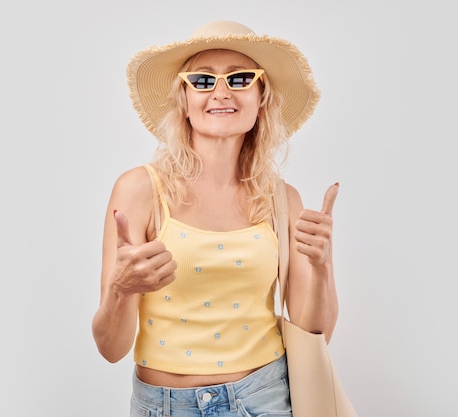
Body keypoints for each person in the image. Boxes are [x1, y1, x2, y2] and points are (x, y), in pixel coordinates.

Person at [92, 20, 340, 417]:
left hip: (264, 399)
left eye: (241, 79)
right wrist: (121, 290)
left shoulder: (282, 199)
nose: (221, 92)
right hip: (164, 407)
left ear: (261, 97)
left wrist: (322, 265)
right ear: (184, 100)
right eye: (203, 81)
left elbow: (316, 334)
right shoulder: (139, 190)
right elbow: (109, 348)